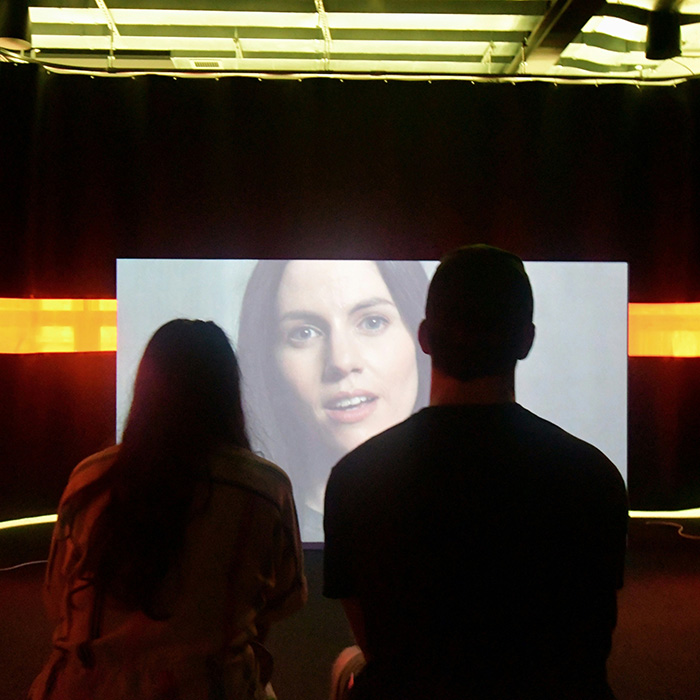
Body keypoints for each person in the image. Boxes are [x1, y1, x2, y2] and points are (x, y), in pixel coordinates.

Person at [323, 245, 629, 700]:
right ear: (526, 340)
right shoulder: (594, 477)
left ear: (424, 337)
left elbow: (377, 643)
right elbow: (588, 637)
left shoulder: (355, 478)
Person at [30, 319, 307, 700]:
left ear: (144, 388)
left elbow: (56, 596)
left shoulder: (88, 478)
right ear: (229, 393)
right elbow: (286, 599)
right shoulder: (264, 488)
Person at [237, 259, 430, 542]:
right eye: (304, 333)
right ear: (268, 363)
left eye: (372, 322)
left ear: (422, 337)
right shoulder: (249, 532)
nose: (341, 361)